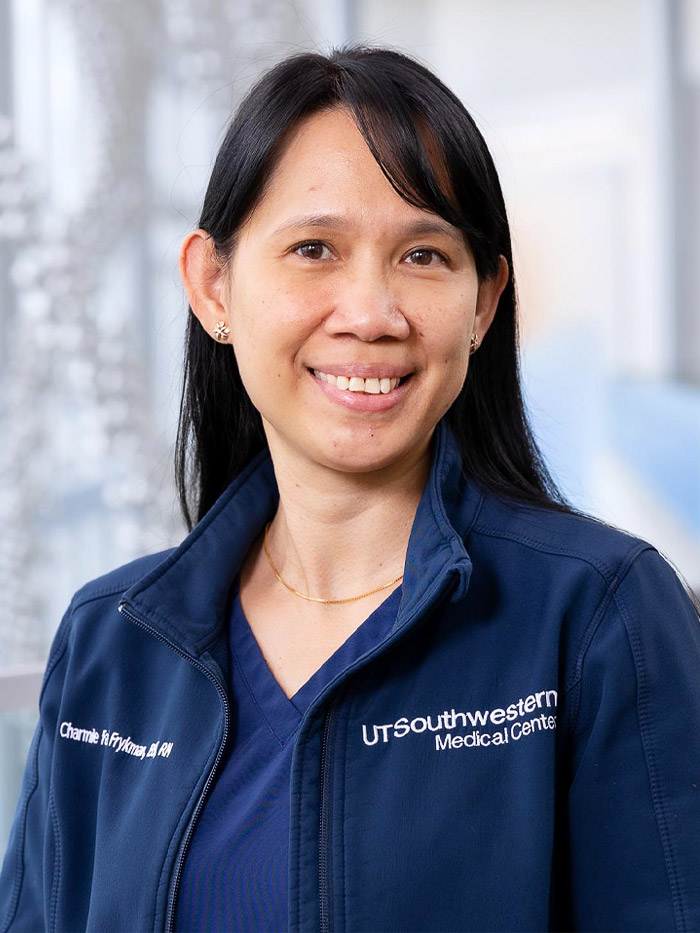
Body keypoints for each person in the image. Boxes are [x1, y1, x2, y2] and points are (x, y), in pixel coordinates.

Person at [1, 44, 699, 933]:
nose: (371, 313)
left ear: (483, 304)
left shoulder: (599, 615)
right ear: (214, 286)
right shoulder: (110, 643)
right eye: (315, 248)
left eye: (424, 255)